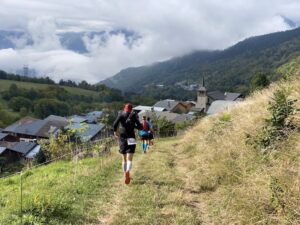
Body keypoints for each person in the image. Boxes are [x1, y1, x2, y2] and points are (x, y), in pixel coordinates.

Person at [113, 103, 142, 185]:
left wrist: (115, 132)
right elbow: (140, 127)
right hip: (131, 138)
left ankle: (125, 173)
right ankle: (128, 172)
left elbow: (115, 124)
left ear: (124, 108)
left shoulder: (121, 114)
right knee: (130, 159)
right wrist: (133, 124)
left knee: (124, 159)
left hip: (122, 138)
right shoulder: (133, 116)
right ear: (131, 109)